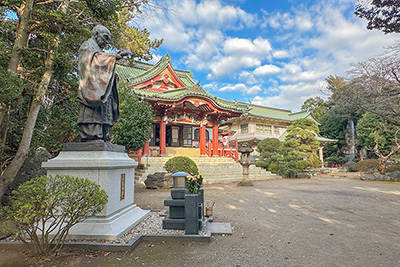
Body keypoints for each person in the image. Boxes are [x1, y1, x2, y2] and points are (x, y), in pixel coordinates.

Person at [77, 25, 131, 141]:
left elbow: (101, 59)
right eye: (105, 38)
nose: (106, 42)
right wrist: (114, 57)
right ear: (96, 35)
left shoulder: (99, 50)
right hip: (92, 88)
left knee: (103, 113)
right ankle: (92, 134)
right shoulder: (87, 46)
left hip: (102, 89)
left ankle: (102, 134)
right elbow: (94, 61)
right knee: (92, 115)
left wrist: (112, 74)